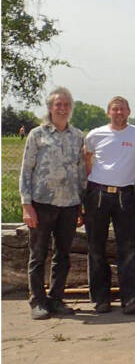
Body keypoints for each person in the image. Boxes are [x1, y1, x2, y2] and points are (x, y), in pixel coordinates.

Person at [84, 96, 135, 314]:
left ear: (129, 112)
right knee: (96, 247)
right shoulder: (95, 135)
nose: (119, 113)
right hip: (97, 194)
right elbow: (85, 159)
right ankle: (100, 299)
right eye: (115, 109)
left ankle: (131, 297)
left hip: (125, 196)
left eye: (122, 109)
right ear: (108, 112)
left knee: (127, 248)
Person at [19, 86, 86, 320]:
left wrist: (81, 204)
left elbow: (80, 172)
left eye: (66, 104)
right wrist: (27, 205)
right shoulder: (37, 135)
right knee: (38, 254)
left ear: (71, 108)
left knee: (63, 255)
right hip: (41, 203)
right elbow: (26, 170)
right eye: (58, 104)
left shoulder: (77, 136)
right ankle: (37, 301)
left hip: (68, 204)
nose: (62, 108)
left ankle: (56, 298)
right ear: (50, 107)